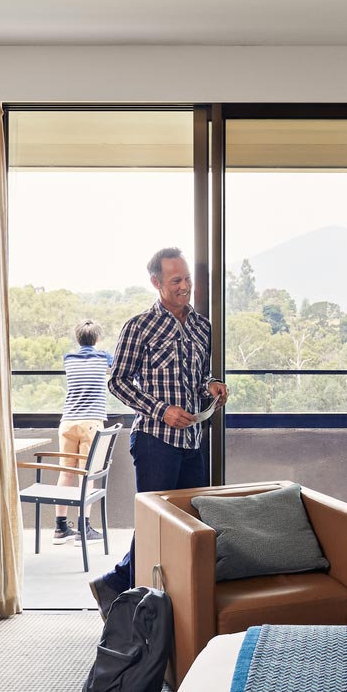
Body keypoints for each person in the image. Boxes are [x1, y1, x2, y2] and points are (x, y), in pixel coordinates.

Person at [91, 247, 227, 610]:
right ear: (156, 283)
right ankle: (136, 602)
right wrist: (161, 410)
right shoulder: (139, 327)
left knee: (186, 522)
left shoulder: (202, 326)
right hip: (154, 440)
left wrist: (211, 385)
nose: (185, 287)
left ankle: (122, 587)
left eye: (187, 279)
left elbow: (197, 378)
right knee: (156, 525)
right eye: (176, 280)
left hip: (192, 440)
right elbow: (117, 382)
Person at [54, 319, 113, 542]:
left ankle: (60, 528)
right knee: (87, 476)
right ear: (96, 339)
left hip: (67, 421)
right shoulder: (103, 357)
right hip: (91, 422)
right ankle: (84, 527)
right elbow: (115, 369)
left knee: (66, 474)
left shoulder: (68, 358)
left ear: (78, 339)